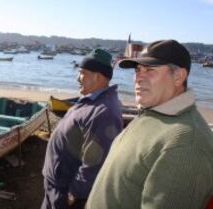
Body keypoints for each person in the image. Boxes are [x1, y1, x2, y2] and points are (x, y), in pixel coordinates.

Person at [86, 40, 213, 209]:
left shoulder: (186, 143)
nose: (139, 78)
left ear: (178, 77)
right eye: (137, 70)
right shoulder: (153, 113)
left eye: (150, 70)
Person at [41, 49, 123, 209]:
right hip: (56, 184)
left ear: (98, 76)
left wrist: (74, 193)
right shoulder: (92, 99)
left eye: (82, 73)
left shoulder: (104, 112)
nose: (77, 78)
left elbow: (95, 163)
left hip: (65, 192)